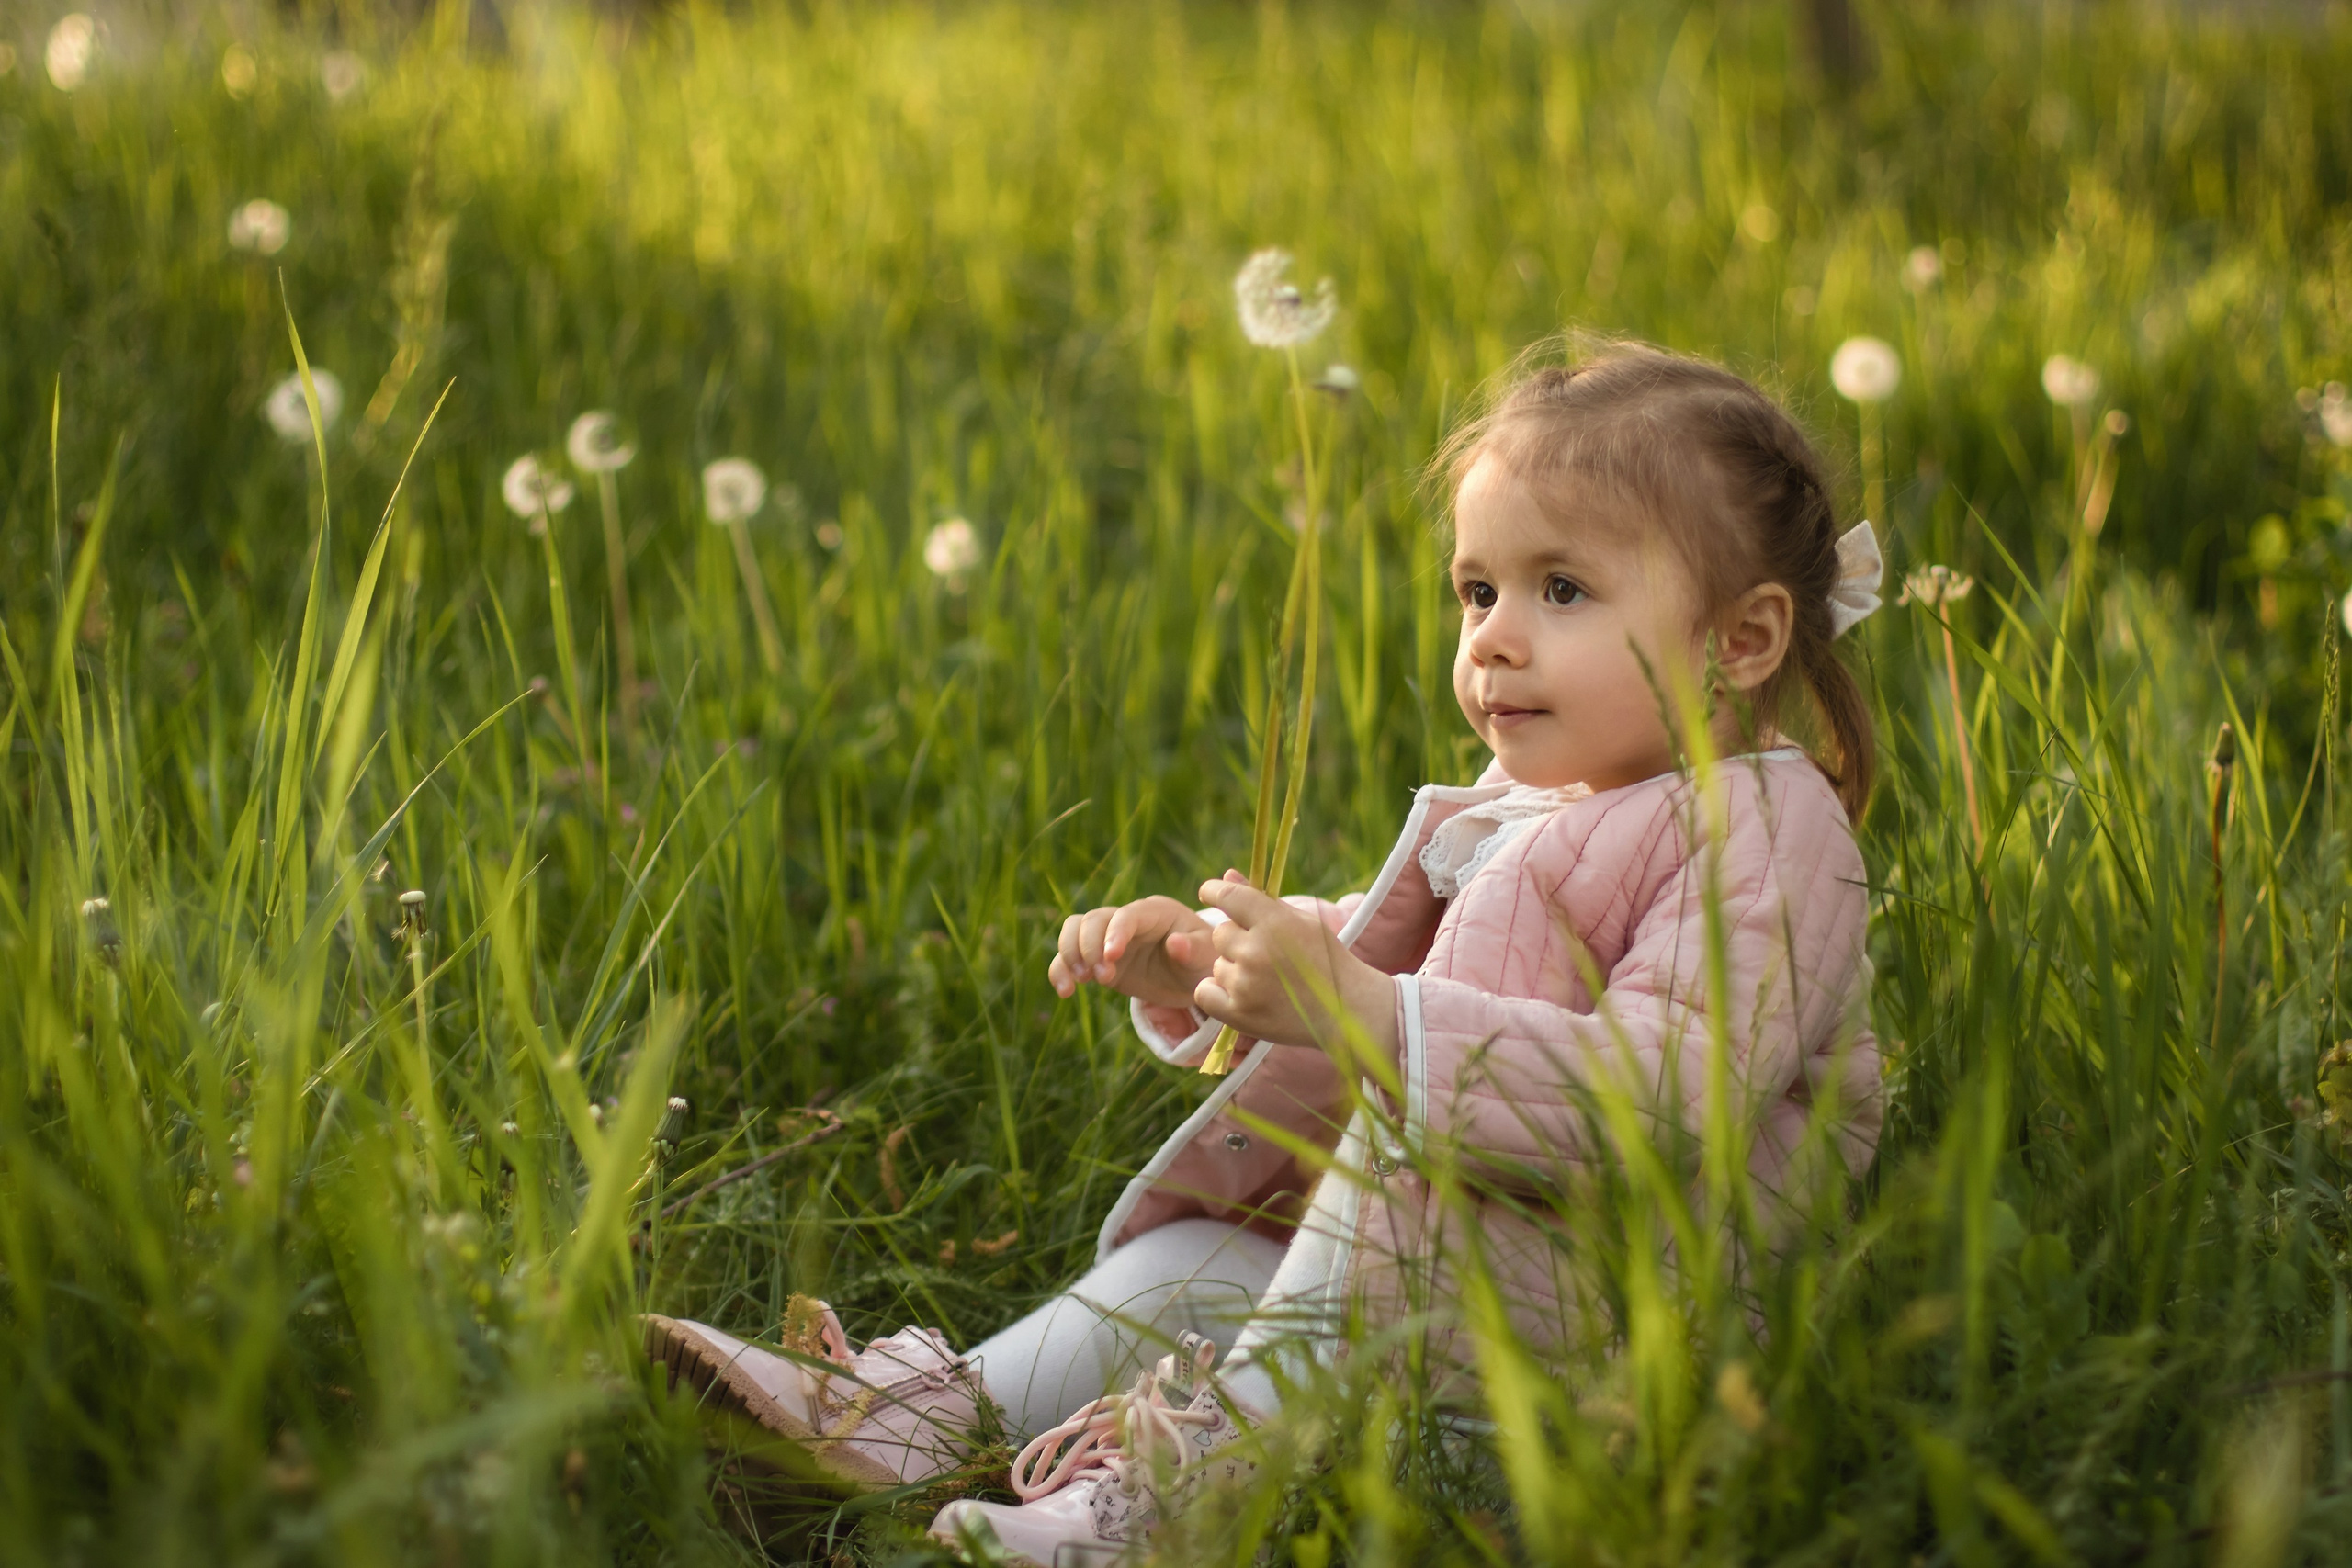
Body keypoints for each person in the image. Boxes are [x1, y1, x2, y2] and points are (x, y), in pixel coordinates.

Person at [644, 342, 1887, 1565]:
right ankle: (922, 1424)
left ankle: (1178, 1511)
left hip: (1607, 1359)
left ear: (1742, 640)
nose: (1496, 639)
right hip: (1449, 1294)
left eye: (1561, 591)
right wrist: (1217, 972)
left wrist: (1367, 1016)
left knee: (1351, 1227)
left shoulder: (1771, 835)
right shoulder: (1539, 813)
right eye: (1477, 592)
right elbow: (1387, 958)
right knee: (1196, 1262)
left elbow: (1674, 1087)